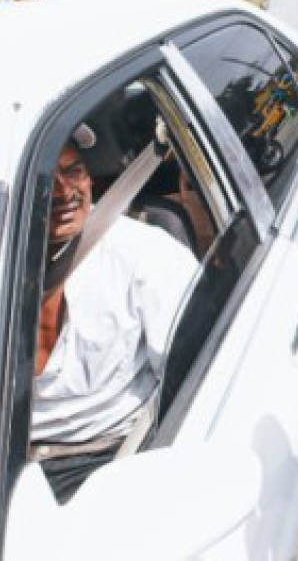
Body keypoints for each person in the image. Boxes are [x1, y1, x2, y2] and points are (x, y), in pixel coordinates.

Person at [31, 135, 199, 502]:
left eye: (73, 171)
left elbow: (192, 383)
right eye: (43, 179)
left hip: (106, 458)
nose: (64, 192)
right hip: (0, 462)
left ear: (91, 177)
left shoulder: (144, 255)